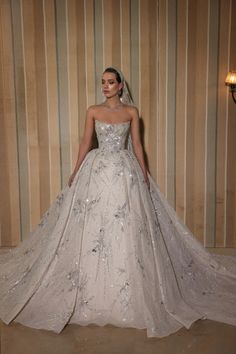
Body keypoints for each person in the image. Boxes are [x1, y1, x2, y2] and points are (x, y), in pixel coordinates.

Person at [0, 67, 235, 338]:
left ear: (121, 86)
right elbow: (85, 143)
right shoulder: (93, 110)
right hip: (97, 168)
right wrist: (75, 170)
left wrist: (144, 173)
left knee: (126, 225)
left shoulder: (131, 112)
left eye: (110, 82)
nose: (105, 86)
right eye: (103, 82)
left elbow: (136, 145)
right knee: (92, 224)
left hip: (125, 171)